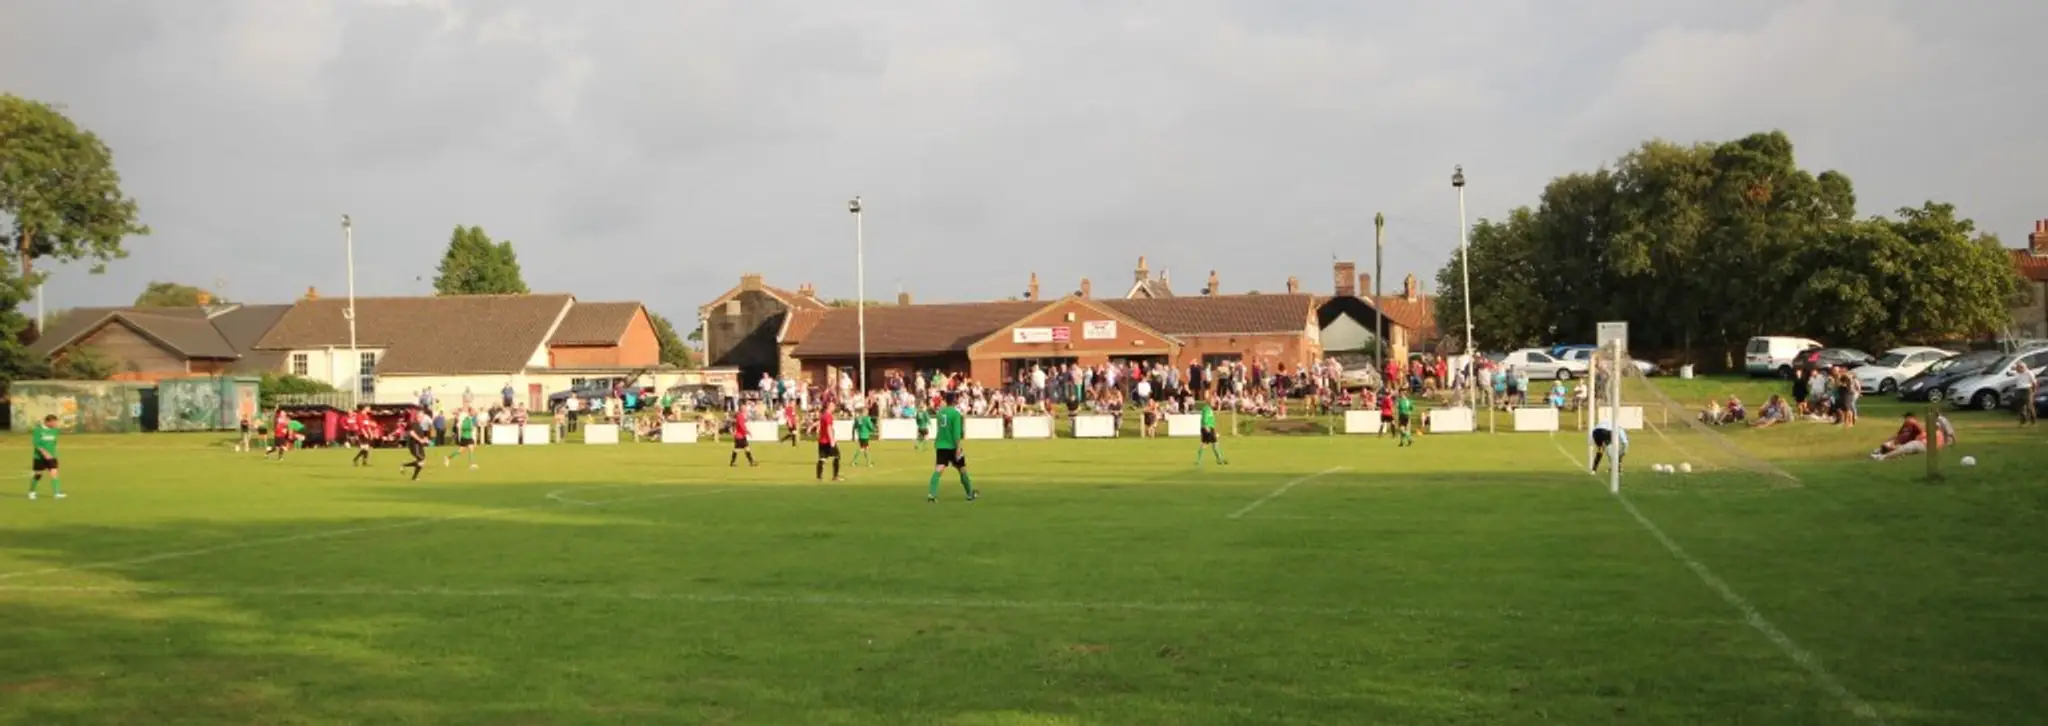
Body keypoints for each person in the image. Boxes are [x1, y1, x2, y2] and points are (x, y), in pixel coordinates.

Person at [927, 392, 977, 502]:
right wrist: (958, 447)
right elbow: (956, 433)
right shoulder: (955, 414)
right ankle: (970, 494)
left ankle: (931, 494)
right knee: (962, 469)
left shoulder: (940, 413)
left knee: (938, 469)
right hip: (953, 446)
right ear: (955, 401)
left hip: (941, 444)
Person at [29, 414, 63, 500]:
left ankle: (57, 493)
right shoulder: (38, 430)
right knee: (38, 475)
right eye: (54, 422)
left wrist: (53, 453)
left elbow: (54, 442)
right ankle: (32, 491)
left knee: (54, 473)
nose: (55, 424)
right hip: (39, 457)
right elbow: (36, 443)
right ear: (47, 422)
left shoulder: (55, 431)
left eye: (56, 422)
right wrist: (44, 453)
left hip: (52, 457)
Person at [1194, 396, 1228, 466]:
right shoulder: (1207, 409)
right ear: (1209, 402)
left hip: (1209, 427)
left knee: (1206, 444)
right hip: (1208, 428)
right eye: (1212, 401)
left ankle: (1199, 460)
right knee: (1213, 443)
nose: (1214, 402)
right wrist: (1206, 426)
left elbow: (1211, 417)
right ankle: (1219, 459)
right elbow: (1205, 418)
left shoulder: (1209, 409)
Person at [816, 404, 844, 481]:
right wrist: (832, 440)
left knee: (822, 458)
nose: (834, 408)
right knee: (837, 456)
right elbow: (829, 428)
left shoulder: (823, 415)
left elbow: (820, 424)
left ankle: (819, 477)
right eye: (833, 406)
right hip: (828, 441)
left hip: (821, 440)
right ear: (830, 407)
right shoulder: (828, 416)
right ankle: (835, 476)